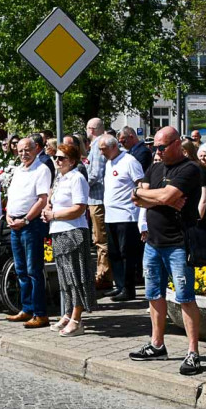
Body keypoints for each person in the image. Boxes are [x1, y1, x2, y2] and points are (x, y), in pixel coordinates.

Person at [131, 126, 204, 376]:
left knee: (184, 297)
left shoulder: (190, 169)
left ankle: (193, 352)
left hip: (178, 242)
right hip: (152, 242)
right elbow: (137, 194)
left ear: (177, 144)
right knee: (153, 294)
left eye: (162, 147)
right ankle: (157, 344)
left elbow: (162, 195)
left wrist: (157, 196)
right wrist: (157, 196)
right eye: (155, 147)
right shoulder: (156, 166)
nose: (157, 151)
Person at [42, 142, 96, 336]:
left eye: (61, 158)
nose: (57, 160)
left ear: (72, 161)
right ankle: (67, 314)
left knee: (76, 276)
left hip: (73, 231)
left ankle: (77, 318)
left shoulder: (77, 178)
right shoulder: (60, 178)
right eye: (56, 157)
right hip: (58, 231)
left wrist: (54, 215)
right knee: (65, 277)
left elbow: (79, 207)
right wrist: (48, 211)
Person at [3, 136, 52, 328]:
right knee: (21, 269)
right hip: (15, 222)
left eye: (27, 150)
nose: (23, 153)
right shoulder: (18, 170)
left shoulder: (41, 169)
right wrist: (8, 215)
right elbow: (12, 195)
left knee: (34, 270)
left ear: (36, 149)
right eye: (20, 150)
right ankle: (27, 308)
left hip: (30, 224)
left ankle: (40, 313)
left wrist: (25, 219)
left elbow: (42, 199)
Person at [101, 135, 145, 301]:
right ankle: (119, 285)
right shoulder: (108, 163)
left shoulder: (129, 161)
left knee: (126, 252)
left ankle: (128, 288)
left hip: (126, 215)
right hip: (111, 215)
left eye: (103, 149)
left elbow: (140, 183)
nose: (101, 153)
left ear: (113, 147)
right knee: (114, 253)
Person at [85, 118, 112, 290]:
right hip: (97, 198)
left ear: (92, 129)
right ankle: (105, 274)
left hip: (97, 198)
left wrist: (79, 185)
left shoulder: (96, 146)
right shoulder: (97, 145)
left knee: (100, 239)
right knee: (100, 238)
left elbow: (94, 174)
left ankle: (103, 275)